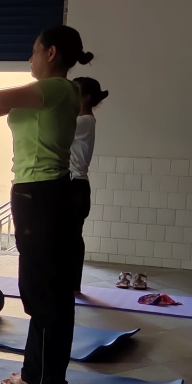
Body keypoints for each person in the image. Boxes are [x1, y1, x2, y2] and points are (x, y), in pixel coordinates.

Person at [0, 25, 92, 384]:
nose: (30, 58)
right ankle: (40, 373)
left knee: (41, 288)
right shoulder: (52, 93)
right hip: (41, 194)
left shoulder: (56, 88)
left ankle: (41, 377)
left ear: (51, 53)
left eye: (34, 51)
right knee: (46, 286)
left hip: (40, 194)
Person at [69, 76, 109, 294]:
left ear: (85, 97)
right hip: (75, 186)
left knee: (73, 238)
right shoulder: (81, 120)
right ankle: (70, 284)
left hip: (75, 186)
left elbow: (55, 128)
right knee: (71, 236)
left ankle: (72, 285)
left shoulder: (84, 121)